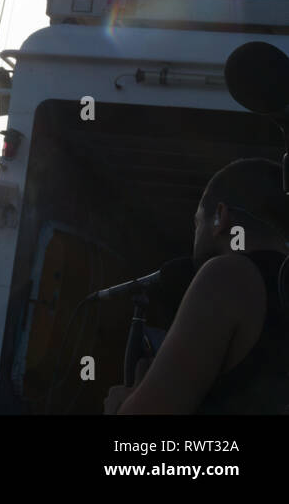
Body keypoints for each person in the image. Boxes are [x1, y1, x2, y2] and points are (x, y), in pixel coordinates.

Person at [105, 158, 289, 414]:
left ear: (220, 218)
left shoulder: (228, 275)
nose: (195, 234)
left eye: (197, 222)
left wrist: (122, 402)